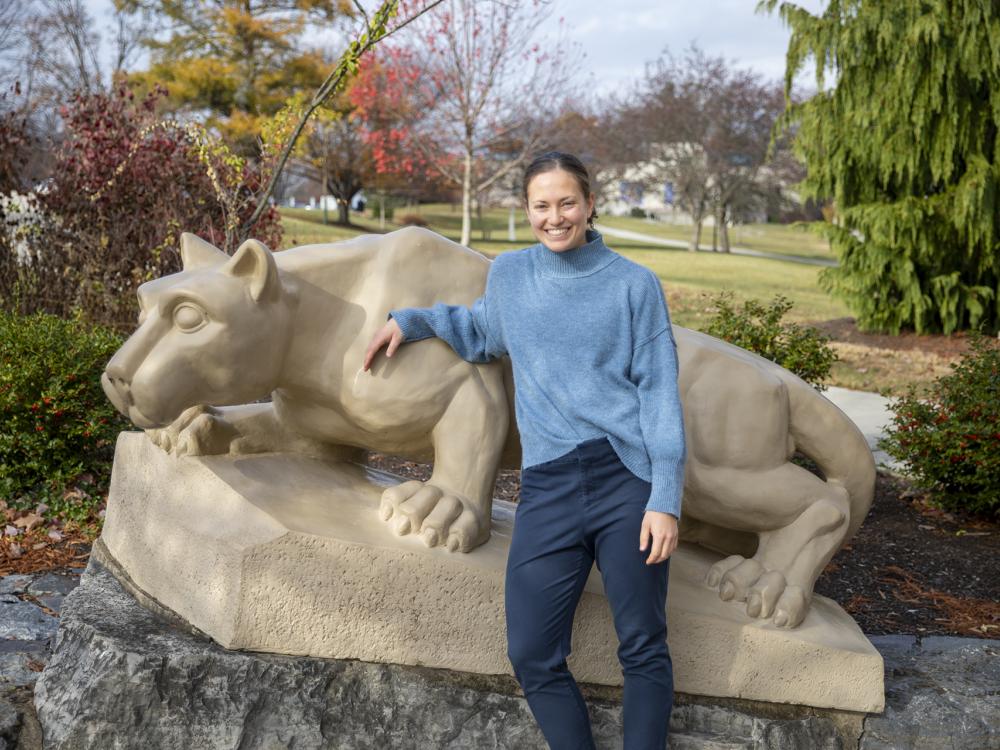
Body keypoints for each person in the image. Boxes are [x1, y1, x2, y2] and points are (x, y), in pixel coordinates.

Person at [362, 151, 685, 750]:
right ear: (527, 210)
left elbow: (660, 393)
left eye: (567, 203)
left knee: (642, 645)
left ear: (590, 205)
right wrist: (410, 321)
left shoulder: (633, 285)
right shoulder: (511, 275)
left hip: (626, 482)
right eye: (542, 205)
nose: (555, 217)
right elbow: (482, 332)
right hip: (550, 487)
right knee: (531, 652)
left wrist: (664, 497)